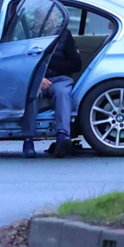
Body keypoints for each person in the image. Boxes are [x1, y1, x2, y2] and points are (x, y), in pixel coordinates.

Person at [22, 28, 81, 158]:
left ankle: (62, 137)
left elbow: (76, 64)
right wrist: (37, 77)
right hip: (34, 78)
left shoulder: (65, 34)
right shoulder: (28, 33)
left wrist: (51, 65)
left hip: (59, 78)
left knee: (62, 93)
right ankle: (28, 140)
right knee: (32, 95)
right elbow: (22, 61)